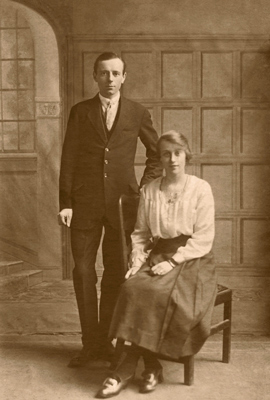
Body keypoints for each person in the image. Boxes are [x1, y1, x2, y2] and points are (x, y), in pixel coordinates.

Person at [59, 52, 162, 367]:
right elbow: (69, 158)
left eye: (116, 73)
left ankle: (109, 342)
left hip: (122, 206)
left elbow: (156, 153)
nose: (110, 79)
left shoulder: (137, 112)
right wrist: (65, 202)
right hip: (84, 204)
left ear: (124, 77)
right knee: (83, 272)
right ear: (95, 76)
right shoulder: (81, 112)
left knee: (116, 275)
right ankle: (91, 346)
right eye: (104, 73)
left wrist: (142, 188)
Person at [96, 130, 217, 398]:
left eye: (177, 152)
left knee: (156, 294)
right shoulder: (150, 191)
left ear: (186, 155)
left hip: (193, 259)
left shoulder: (200, 189)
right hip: (158, 254)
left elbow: (204, 237)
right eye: (166, 154)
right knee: (130, 288)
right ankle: (151, 366)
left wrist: (173, 261)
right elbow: (140, 234)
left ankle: (123, 370)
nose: (172, 159)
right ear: (159, 158)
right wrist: (137, 261)